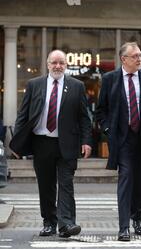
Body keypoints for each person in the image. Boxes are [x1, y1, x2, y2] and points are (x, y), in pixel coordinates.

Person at [10, 50, 93, 238]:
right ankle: (49, 222)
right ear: (47, 64)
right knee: (46, 185)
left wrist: (86, 141)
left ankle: (66, 224)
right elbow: (23, 115)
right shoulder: (34, 84)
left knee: (66, 184)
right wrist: (17, 144)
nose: (57, 66)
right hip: (41, 143)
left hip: (67, 143)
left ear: (66, 65)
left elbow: (84, 118)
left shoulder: (77, 86)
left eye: (61, 63)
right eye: (54, 62)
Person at [95, 42, 141, 241]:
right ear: (123, 59)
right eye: (134, 55)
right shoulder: (110, 79)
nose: (139, 58)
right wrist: (108, 130)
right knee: (126, 178)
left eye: (140, 55)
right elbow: (101, 111)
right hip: (123, 139)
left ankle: (137, 217)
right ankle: (124, 226)